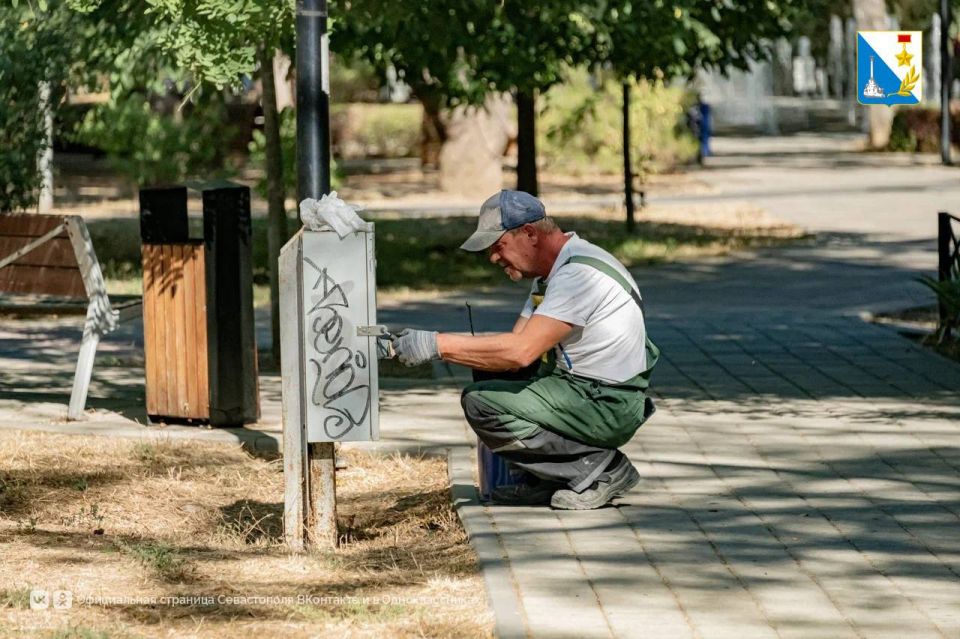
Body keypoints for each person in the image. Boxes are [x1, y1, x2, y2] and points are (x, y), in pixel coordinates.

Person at [391, 190, 659, 510]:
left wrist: (436, 345)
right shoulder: (553, 272)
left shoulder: (577, 275)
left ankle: (600, 468)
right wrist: (464, 354)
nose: (493, 257)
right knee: (490, 372)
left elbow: (520, 352)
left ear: (529, 234)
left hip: (605, 401)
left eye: (498, 246)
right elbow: (516, 347)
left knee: (481, 405)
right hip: (587, 391)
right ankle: (552, 478)